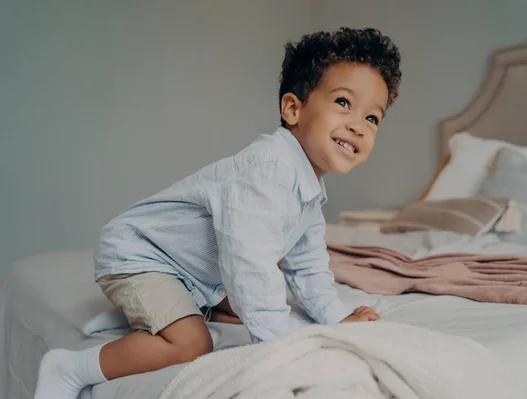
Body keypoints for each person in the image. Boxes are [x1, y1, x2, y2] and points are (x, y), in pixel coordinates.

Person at [33, 26, 402, 399]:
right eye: (343, 102)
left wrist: (335, 319)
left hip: (188, 271)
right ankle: (70, 368)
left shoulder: (308, 188)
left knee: (260, 302)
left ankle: (164, 309)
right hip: (139, 255)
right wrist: (282, 346)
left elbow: (307, 266)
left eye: (373, 119)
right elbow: (248, 265)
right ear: (293, 108)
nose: (357, 125)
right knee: (193, 342)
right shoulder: (268, 170)